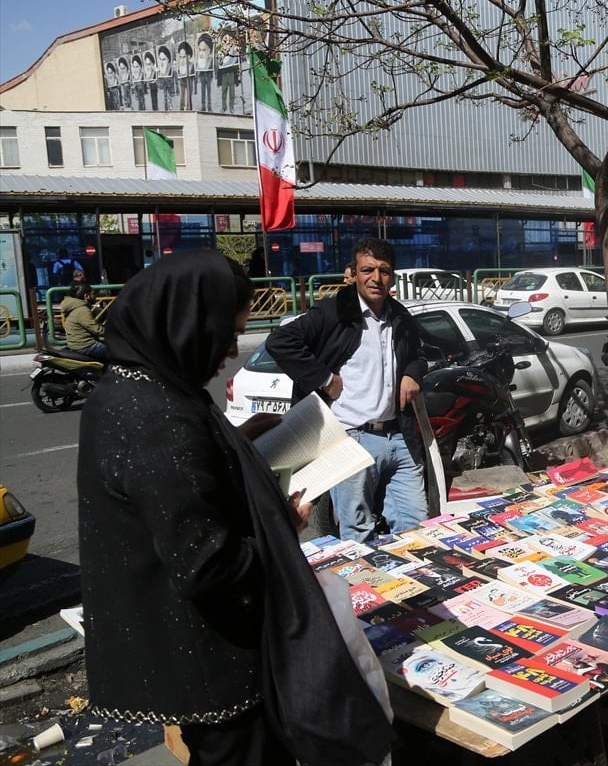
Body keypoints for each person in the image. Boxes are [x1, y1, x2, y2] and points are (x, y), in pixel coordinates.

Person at [76, 251, 393, 766]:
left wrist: (237, 444)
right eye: (227, 332)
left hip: (180, 642)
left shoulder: (132, 389)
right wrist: (281, 530)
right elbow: (207, 564)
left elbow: (177, 485)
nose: (230, 350)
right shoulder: (158, 415)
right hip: (208, 655)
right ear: (185, 324)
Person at [266, 238, 431, 541]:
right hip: (353, 437)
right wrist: (324, 378)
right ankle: (363, 588)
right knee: (358, 532)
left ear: (391, 276)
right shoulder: (334, 312)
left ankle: (420, 588)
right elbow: (280, 342)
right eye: (367, 269)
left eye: (384, 271)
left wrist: (412, 373)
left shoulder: (399, 316)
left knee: (418, 527)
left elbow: (420, 353)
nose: (376, 278)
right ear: (353, 273)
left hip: (399, 437)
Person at [61, 283, 106, 359]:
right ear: (86, 296)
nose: (95, 296)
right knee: (117, 352)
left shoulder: (76, 306)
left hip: (77, 344)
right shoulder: (82, 310)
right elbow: (97, 330)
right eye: (93, 294)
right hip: (86, 346)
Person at [176, 40, 195, 111]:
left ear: (189, 56)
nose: (182, 60)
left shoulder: (191, 65)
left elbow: (193, 76)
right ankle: (181, 108)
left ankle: (189, 109)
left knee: (188, 96)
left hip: (189, 81)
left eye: (184, 57)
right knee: (182, 96)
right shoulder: (179, 65)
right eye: (180, 57)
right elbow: (178, 73)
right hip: (182, 81)